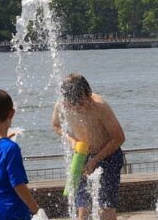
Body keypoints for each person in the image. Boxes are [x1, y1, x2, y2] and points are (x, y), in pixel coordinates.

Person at [52, 73, 125, 220]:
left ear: (89, 94)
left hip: (108, 156)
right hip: (82, 157)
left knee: (105, 210)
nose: (81, 108)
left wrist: (95, 160)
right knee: (82, 212)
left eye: (84, 102)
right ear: (67, 101)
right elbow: (55, 125)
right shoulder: (61, 105)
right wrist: (71, 139)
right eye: (76, 104)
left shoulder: (100, 106)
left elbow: (119, 138)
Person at [0, 90, 39, 219]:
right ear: (11, 113)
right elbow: (18, 184)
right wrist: (35, 209)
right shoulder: (11, 149)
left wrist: (5, 141)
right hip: (13, 213)